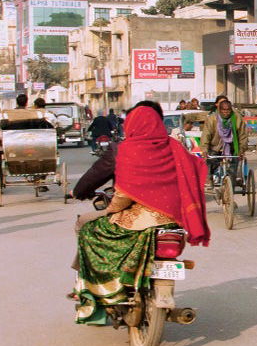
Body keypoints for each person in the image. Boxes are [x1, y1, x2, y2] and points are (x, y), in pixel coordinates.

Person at [73, 103, 210, 325]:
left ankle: (98, 290)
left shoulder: (128, 149)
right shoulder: (174, 147)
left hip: (135, 220)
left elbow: (124, 195)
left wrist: (109, 209)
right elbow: (191, 174)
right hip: (171, 221)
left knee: (88, 228)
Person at [201, 96, 242, 185]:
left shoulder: (237, 118)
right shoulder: (212, 119)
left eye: (228, 110)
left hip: (232, 147)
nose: (226, 112)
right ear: (219, 109)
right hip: (215, 146)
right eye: (223, 110)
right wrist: (204, 149)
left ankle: (230, 191)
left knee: (232, 172)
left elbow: (243, 135)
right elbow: (206, 134)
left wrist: (242, 149)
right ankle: (209, 179)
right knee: (210, 163)